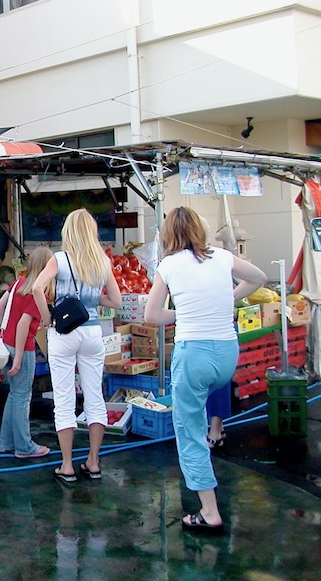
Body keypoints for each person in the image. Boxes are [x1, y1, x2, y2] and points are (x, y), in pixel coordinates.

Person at [144, 206, 266, 534]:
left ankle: (208, 511)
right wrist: (228, 295)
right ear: (199, 229)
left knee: (189, 432)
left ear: (169, 234)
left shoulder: (167, 265)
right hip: (226, 354)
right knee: (202, 412)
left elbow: (152, 315)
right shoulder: (223, 257)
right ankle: (211, 472)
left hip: (193, 354)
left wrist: (181, 314)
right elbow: (259, 278)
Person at [32, 209, 121, 483]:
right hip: (93, 333)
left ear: (68, 232)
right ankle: (93, 461)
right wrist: (91, 304)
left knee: (64, 398)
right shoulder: (102, 262)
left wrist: (48, 319)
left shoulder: (59, 259)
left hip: (64, 333)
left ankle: (67, 464)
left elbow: (37, 288)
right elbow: (116, 301)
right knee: (95, 396)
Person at [0, 246, 53, 458]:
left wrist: (4, 332)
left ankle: (6, 443)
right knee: (22, 397)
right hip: (22, 347)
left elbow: (0, 307)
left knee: (13, 394)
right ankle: (24, 446)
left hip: (6, 343)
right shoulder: (37, 294)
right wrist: (19, 356)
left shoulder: (17, 284)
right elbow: (23, 325)